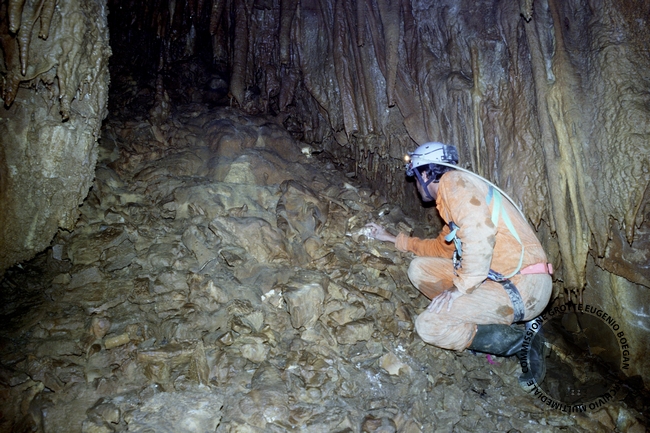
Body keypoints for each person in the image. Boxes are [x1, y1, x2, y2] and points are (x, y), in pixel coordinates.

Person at [366, 142, 552, 381]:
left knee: (429, 326)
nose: (415, 186)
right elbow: (440, 249)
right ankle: (484, 319)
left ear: (425, 174)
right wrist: (392, 238)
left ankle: (525, 342)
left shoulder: (454, 183)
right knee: (420, 269)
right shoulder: (454, 200)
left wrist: (460, 288)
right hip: (502, 279)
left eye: (416, 178)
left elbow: (479, 233)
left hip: (523, 286)